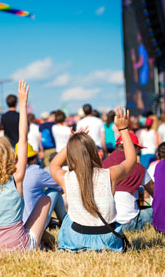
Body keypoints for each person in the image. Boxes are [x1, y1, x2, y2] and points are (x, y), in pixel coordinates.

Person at [0, 80, 51, 253]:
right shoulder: (16, 177)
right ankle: (41, 240)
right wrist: (22, 104)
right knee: (46, 199)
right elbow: (22, 138)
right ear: (9, 156)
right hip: (18, 247)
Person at [50, 107, 136, 252]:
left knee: (67, 219)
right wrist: (124, 129)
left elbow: (54, 165)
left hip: (77, 238)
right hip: (108, 239)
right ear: (93, 151)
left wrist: (72, 142)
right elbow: (131, 159)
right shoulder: (110, 174)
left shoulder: (67, 178)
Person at [103, 131, 154, 232]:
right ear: (132, 148)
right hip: (129, 223)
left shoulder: (102, 164)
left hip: (106, 223)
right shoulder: (139, 168)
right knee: (153, 211)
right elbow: (155, 193)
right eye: (138, 149)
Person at [20, 143, 66, 227]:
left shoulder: (14, 174)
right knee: (53, 191)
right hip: (35, 224)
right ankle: (65, 221)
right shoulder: (36, 171)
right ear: (34, 159)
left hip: (18, 224)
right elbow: (60, 186)